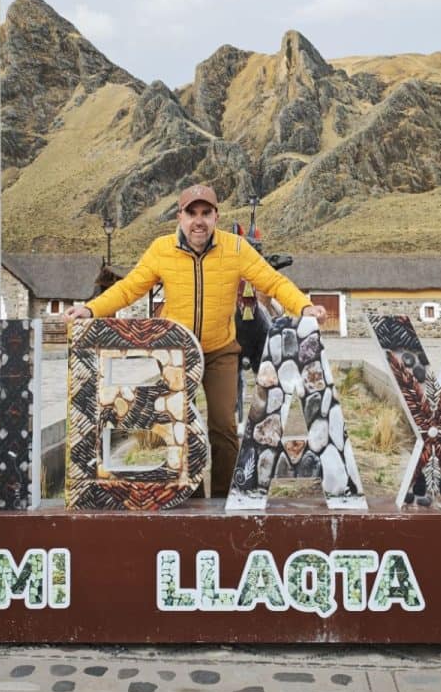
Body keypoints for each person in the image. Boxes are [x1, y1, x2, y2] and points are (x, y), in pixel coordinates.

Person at [66, 183, 323, 496]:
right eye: (191, 213)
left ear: (216, 216)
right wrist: (91, 309)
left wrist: (304, 306)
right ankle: (193, 496)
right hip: (177, 353)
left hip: (221, 350)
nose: (198, 220)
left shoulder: (237, 248)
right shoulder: (160, 249)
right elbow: (128, 288)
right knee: (182, 428)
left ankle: (222, 498)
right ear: (180, 217)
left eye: (205, 213)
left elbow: (273, 281)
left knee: (223, 427)